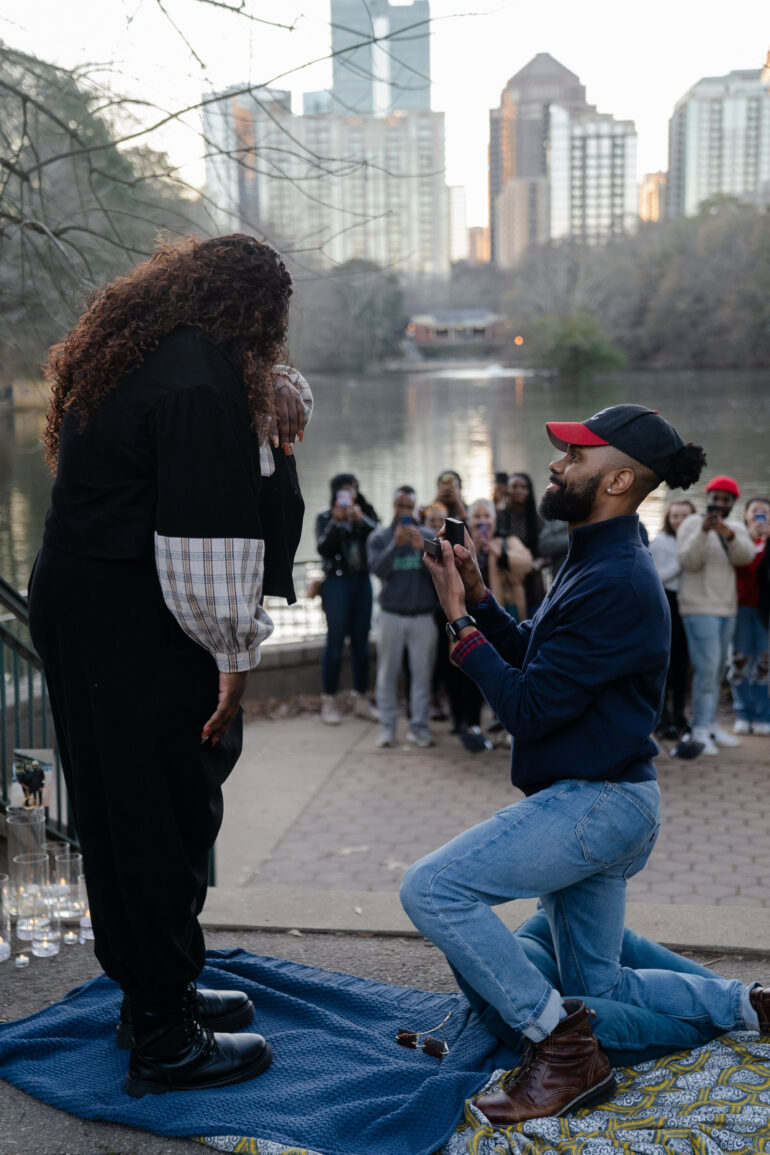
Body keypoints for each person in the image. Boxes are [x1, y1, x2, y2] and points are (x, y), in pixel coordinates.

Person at [401, 406, 770, 1125]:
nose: (556, 464)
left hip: (598, 803)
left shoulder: (619, 577)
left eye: (574, 454)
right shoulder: (598, 553)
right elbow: (539, 650)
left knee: (434, 889)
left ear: (620, 477)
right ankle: (746, 1007)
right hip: (609, 796)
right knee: (595, 978)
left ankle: (562, 1050)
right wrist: (478, 593)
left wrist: (456, 623)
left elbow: (531, 707)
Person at [28, 234, 310, 1097]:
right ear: (255, 312)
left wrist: (273, 400)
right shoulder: (197, 380)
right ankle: (164, 1039)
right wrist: (233, 657)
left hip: (82, 601)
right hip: (133, 618)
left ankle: (156, 995)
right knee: (165, 812)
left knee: (121, 812)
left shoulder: (142, 350)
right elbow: (206, 539)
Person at [677, 475, 755, 755]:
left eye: (725, 500)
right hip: (698, 607)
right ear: (707, 499)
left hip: (727, 607)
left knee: (719, 668)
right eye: (715, 499)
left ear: (733, 503)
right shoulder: (690, 524)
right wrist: (704, 532)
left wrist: (728, 535)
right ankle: (699, 730)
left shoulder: (735, 527)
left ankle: (710, 725)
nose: (719, 504)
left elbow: (745, 557)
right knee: (707, 670)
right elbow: (687, 561)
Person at [367, 487, 438, 748]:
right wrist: (395, 547)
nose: (405, 511)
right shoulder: (379, 537)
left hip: (422, 616)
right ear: (394, 506)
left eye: (410, 506)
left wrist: (423, 550)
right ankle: (387, 728)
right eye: (400, 505)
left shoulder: (428, 536)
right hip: (390, 615)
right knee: (386, 674)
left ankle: (419, 728)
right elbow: (377, 570)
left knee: (421, 675)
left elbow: (440, 573)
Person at [315, 474, 379, 725]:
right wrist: (335, 522)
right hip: (336, 583)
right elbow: (322, 548)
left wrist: (359, 518)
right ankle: (329, 700)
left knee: (361, 644)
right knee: (335, 642)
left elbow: (378, 538)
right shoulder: (325, 517)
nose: (347, 495)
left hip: (362, 582)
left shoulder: (365, 513)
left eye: (351, 490)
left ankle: (361, 698)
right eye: (342, 491)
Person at [649, 499, 696, 737]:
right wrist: (681, 564)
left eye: (684, 516)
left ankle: (680, 714)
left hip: (689, 606)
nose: (679, 520)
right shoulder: (660, 543)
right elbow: (655, 577)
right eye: (675, 515)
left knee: (682, 665)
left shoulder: (696, 540)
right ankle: (661, 717)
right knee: (665, 664)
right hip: (666, 605)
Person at [729, 496, 770, 735]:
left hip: (765, 611)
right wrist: (751, 539)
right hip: (741, 608)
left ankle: (763, 715)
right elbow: (740, 569)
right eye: (755, 511)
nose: (759, 515)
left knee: (764, 663)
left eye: (764, 512)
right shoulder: (739, 539)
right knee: (739, 661)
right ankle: (743, 712)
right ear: (746, 515)